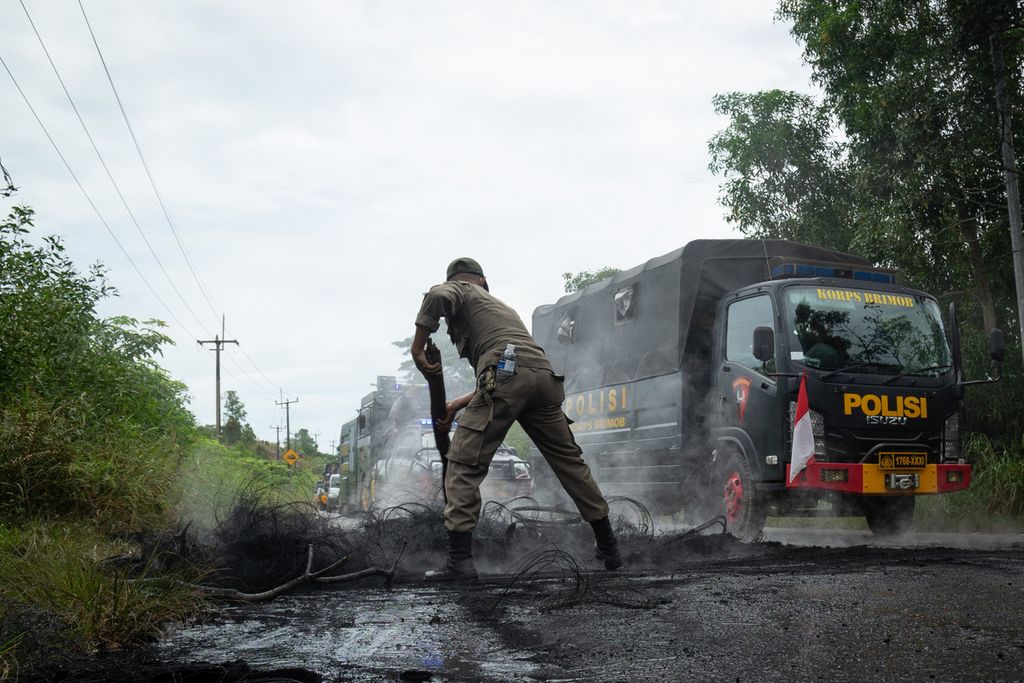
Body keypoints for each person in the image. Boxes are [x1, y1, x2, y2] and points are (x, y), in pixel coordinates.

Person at [412, 257, 622, 580]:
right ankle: (609, 547)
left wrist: (417, 348)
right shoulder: (502, 309)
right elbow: (513, 369)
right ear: (484, 280)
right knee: (570, 463)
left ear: (472, 282)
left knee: (462, 463)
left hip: (507, 375)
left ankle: (460, 563)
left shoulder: (462, 290)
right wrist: (458, 403)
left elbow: (437, 296)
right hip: (542, 378)